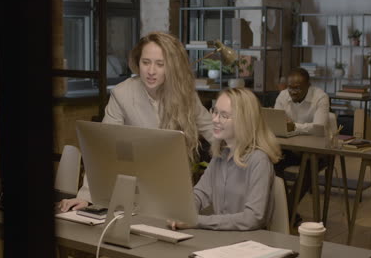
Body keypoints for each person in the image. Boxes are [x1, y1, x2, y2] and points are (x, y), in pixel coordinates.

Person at [58, 31, 213, 212]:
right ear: (137, 62)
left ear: (172, 67)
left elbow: (214, 131)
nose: (151, 71)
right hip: (136, 193)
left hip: (175, 188)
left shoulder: (185, 94)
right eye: (145, 62)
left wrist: (246, 154)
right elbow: (103, 148)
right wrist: (86, 196)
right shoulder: (122, 94)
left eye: (160, 64)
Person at [170, 88, 282, 231]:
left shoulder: (259, 160)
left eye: (224, 115)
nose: (215, 120)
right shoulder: (221, 155)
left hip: (249, 244)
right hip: (223, 239)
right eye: (215, 112)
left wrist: (197, 221)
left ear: (244, 120)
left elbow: (252, 218)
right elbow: (200, 194)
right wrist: (183, 213)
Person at [273, 67, 330, 223]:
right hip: (291, 148)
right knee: (272, 160)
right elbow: (276, 124)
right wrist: (302, 127)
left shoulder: (320, 97)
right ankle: (286, 210)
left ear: (308, 86)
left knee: (310, 165)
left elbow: (318, 128)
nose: (293, 91)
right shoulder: (282, 96)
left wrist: (294, 126)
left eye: (298, 88)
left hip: (318, 151)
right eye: (290, 87)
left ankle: (286, 211)